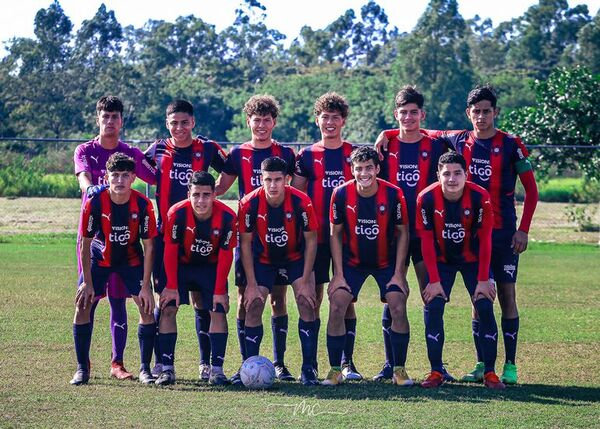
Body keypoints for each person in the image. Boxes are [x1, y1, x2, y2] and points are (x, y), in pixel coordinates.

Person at [376, 84, 538, 384]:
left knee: (501, 295)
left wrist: (523, 229)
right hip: (443, 233)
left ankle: (508, 365)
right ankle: (470, 364)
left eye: (486, 111)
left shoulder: (512, 144)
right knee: (408, 294)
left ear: (495, 112)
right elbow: (417, 126)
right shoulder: (458, 139)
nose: (481, 117)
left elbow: (532, 190)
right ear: (468, 114)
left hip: (499, 233)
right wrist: (386, 133)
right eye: (476, 112)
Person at [73, 95, 156, 381]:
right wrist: (90, 189)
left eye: (114, 117)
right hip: (96, 237)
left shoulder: (130, 153)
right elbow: (83, 177)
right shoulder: (85, 149)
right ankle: (82, 368)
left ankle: (118, 363)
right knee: (87, 298)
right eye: (105, 117)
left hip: (129, 243)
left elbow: (154, 176)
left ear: (121, 121)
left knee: (121, 301)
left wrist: (157, 155)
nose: (110, 122)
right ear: (98, 118)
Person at [215, 95, 297, 384]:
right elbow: (218, 188)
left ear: (274, 122)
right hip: (249, 237)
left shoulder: (286, 154)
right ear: (248, 121)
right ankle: (246, 364)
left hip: (282, 237)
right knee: (246, 299)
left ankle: (278, 363)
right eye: (256, 120)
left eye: (266, 120)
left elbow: (299, 192)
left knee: (278, 298)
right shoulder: (238, 154)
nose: (261, 125)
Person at [145, 99, 227, 381]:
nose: (179, 128)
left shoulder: (206, 148)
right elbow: (137, 170)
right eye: (173, 123)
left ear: (193, 123)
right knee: (166, 301)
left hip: (205, 235)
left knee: (203, 302)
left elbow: (230, 169)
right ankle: (163, 365)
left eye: (184, 122)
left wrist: (215, 193)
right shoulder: (157, 149)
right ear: (167, 124)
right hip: (168, 237)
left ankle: (207, 364)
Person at [374, 86, 452, 382]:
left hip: (425, 232)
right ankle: (390, 363)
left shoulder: (435, 146)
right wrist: (387, 133)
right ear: (396, 114)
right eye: (403, 113)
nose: (408, 117)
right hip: (393, 232)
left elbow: (458, 133)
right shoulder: (385, 147)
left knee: (432, 295)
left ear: (422, 114)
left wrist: (388, 130)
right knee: (392, 295)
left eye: (413, 112)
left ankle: (437, 366)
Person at [323, 146, 412, 386]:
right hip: (352, 264)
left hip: (386, 263)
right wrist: (338, 275)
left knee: (398, 306)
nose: (364, 173)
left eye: (369, 168)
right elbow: (335, 235)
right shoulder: (340, 194)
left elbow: (404, 233)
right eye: (359, 168)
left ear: (377, 169)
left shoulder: (394, 194)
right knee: (337, 304)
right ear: (352, 170)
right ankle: (334, 370)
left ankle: (399, 369)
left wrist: (399, 274)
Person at [417, 151, 505, 389]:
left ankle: (489, 373)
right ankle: (436, 371)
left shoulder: (480, 197)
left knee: (484, 305)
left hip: (473, 259)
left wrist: (484, 278)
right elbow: (426, 241)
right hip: (441, 260)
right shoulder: (425, 199)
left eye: (457, 173)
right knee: (433, 305)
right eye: (446, 174)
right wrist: (433, 280)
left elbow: (485, 238)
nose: (452, 179)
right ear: (438, 175)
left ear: (467, 174)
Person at [291, 92, 361, 380]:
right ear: (316, 119)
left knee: (345, 301)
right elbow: (295, 195)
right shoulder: (306, 155)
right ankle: (312, 364)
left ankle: (347, 362)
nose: (330, 122)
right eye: (325, 117)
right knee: (313, 299)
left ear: (343, 120)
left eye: (335, 117)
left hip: (349, 240)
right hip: (316, 239)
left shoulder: (355, 153)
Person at [237, 156, 319, 386]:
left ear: (287, 179)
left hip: (295, 259)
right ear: (261, 179)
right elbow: (245, 243)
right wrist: (251, 284)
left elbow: (311, 240)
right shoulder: (249, 203)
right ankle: (248, 367)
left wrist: (304, 279)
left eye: (277, 180)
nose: (272, 185)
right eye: (267, 180)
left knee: (306, 301)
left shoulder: (302, 202)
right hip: (264, 260)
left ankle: (308, 369)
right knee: (253, 304)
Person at [154, 171, 236, 386]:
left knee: (218, 309)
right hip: (180, 266)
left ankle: (216, 370)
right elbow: (170, 250)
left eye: (206, 195)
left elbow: (226, 255)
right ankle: (167, 369)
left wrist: (220, 290)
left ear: (214, 196)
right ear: (188, 193)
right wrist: (171, 286)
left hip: (210, 267)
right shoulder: (176, 213)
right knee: (168, 307)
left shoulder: (227, 217)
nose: (201, 200)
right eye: (196, 194)